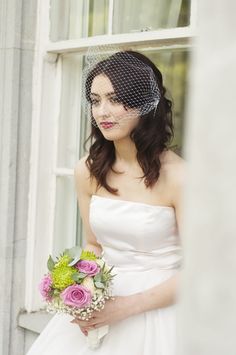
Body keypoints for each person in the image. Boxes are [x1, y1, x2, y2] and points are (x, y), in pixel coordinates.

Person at [26, 49, 185, 355]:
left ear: (145, 103)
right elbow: (93, 245)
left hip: (161, 311)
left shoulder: (179, 177)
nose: (102, 112)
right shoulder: (87, 171)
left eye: (115, 99)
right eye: (96, 100)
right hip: (102, 306)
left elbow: (203, 270)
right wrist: (80, 287)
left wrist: (126, 307)